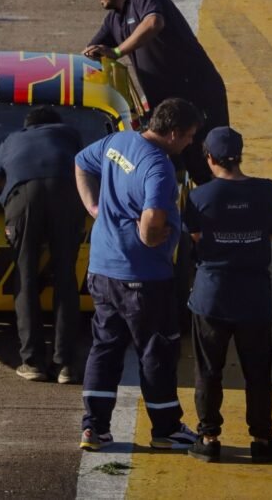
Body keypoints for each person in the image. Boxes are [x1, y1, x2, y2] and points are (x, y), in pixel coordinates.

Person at [74, 97, 203, 451]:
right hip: (142, 277)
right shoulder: (159, 168)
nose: (190, 142)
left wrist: (94, 207)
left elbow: (81, 162)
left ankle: (94, 427)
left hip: (103, 268)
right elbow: (152, 222)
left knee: (106, 346)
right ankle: (165, 428)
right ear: (173, 133)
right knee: (156, 349)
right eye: (189, 136)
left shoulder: (118, 141)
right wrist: (150, 236)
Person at [182, 126, 272, 463]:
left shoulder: (200, 197)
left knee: (208, 369)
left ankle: (209, 437)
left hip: (212, 294)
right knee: (258, 371)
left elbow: (194, 236)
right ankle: (262, 438)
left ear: (209, 158)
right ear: (240, 155)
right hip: (254, 296)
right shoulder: (267, 190)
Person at [81, 0, 228, 186]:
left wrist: (117, 51)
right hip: (169, 108)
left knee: (213, 165)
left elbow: (154, 23)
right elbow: (89, 55)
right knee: (182, 170)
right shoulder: (114, 20)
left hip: (199, 96)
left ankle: (228, 204)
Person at [0, 107, 87, 384]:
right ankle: (65, 365)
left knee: (25, 276)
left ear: (28, 125)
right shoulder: (71, 135)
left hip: (24, 196)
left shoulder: (13, 138)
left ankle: (32, 362)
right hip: (67, 194)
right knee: (65, 278)